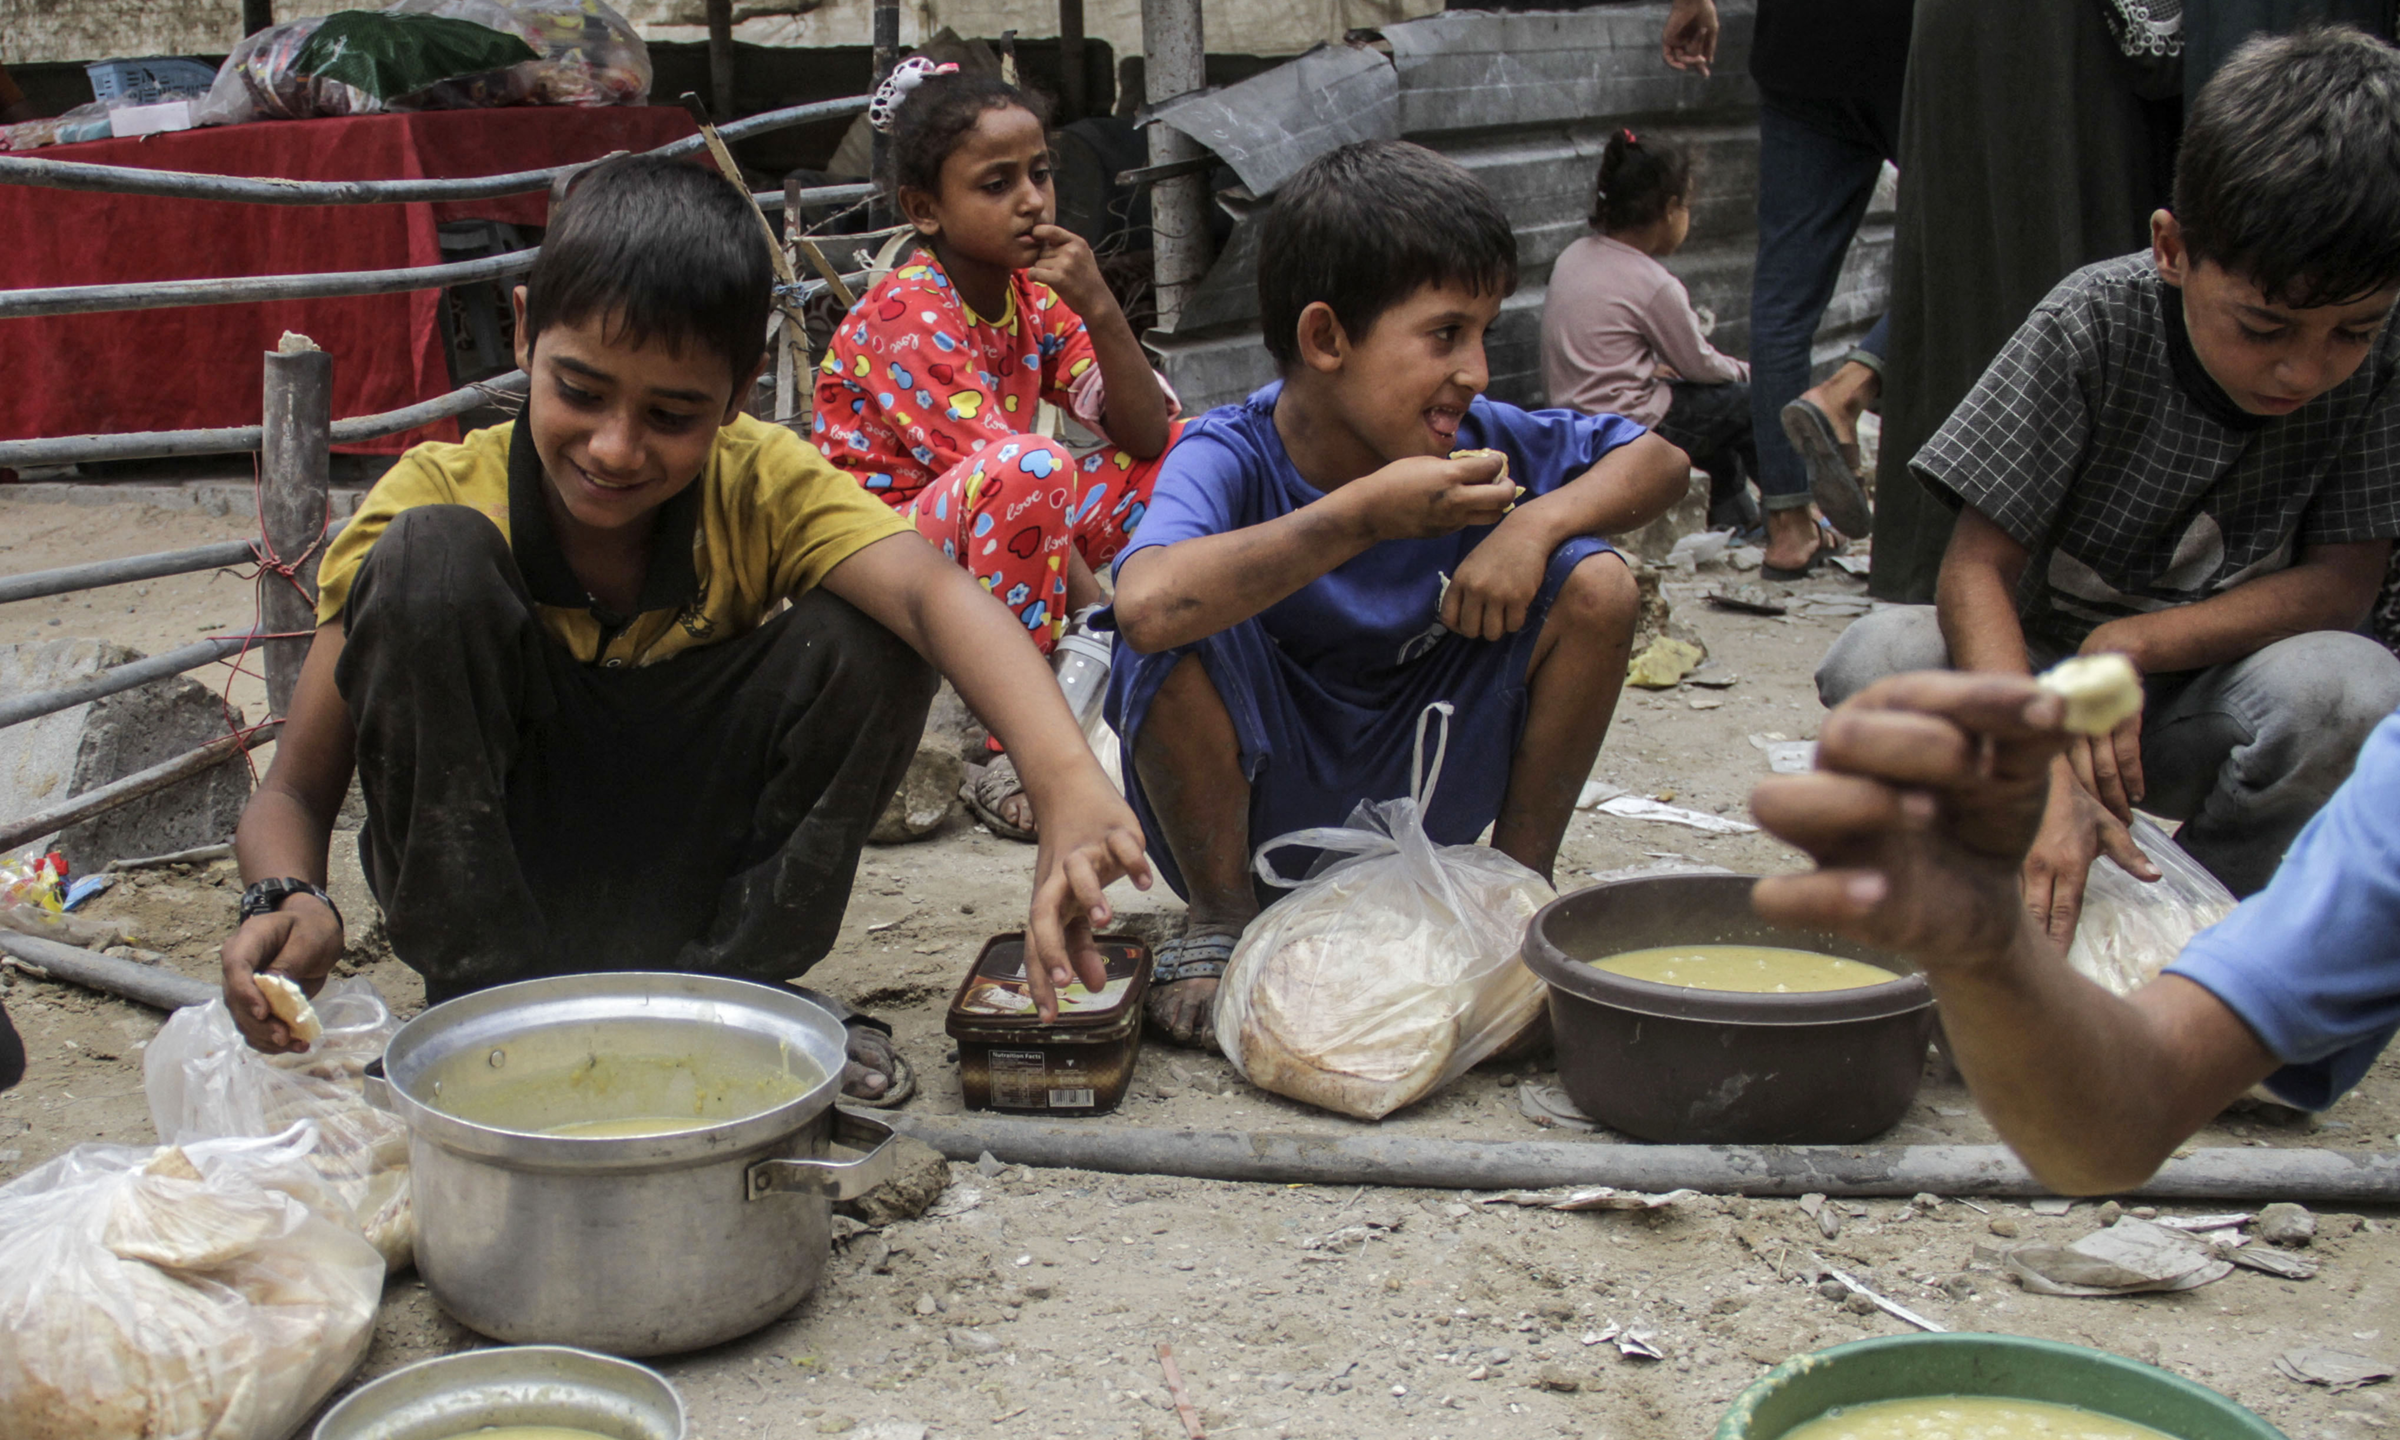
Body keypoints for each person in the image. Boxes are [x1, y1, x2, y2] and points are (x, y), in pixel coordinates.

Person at [218, 155, 1151, 1102]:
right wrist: (287, 895)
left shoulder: (759, 481)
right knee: (429, 562)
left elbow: (934, 597)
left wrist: (1068, 783)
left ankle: (741, 1001)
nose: (616, 447)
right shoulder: (434, 498)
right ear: (523, 332)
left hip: (697, 886)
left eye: (672, 414)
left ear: (741, 389)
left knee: (876, 629)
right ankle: (485, 1010)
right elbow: (293, 794)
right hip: (504, 897)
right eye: (580, 391)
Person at [1816, 26, 2400, 943]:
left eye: (2351, 332)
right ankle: (1979, 918)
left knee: (2357, 691)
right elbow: (1972, 574)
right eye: (2263, 326)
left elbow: (2343, 586)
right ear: (2172, 250)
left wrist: (2129, 643)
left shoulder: (2382, 362)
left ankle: (2219, 956)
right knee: (1875, 664)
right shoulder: (2093, 323)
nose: (2302, 369)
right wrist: (2040, 758)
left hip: (2196, 702)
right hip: (2029, 677)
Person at [1108, 141, 1690, 1046]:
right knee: (1171, 621)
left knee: (1598, 585)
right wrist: (1357, 519)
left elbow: (1660, 461)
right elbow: (1145, 605)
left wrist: (1533, 530)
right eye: (1445, 335)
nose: (1479, 372)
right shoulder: (1229, 450)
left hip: (1424, 781)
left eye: (1485, 334)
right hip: (1266, 801)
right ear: (1326, 339)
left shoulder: (1480, 438)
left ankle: (1511, 899)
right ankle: (1220, 922)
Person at [1751, 668, 2400, 1195]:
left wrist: (2133, 645)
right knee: (1891, 655)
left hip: (2201, 688)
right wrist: (1984, 943)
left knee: (2335, 682)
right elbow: (2123, 1119)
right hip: (2062, 683)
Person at [815, 61, 1181, 840]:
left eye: (1040, 175)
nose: (1031, 201)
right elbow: (1010, 473)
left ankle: (1124, 663)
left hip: (993, 528)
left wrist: (1102, 308)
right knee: (1035, 469)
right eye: (995, 184)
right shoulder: (907, 312)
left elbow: (1144, 434)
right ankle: (1006, 742)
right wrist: (1101, 617)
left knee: (1186, 453)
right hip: (882, 557)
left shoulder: (1033, 296)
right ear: (925, 210)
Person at [1660, 0, 1910, 566]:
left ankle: (1788, 526)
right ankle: (1850, 389)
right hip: (1912, 47)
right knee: (1959, 254)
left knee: (1783, 300)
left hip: (1800, 49)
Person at [1540, 129, 1760, 542]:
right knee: (1749, 405)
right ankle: (1790, 514)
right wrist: (1749, 372)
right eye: (1688, 206)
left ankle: (1737, 521)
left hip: (1572, 417)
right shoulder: (1654, 283)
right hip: (1629, 423)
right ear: (1671, 210)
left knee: (1714, 420)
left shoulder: (1573, 256)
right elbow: (1701, 365)